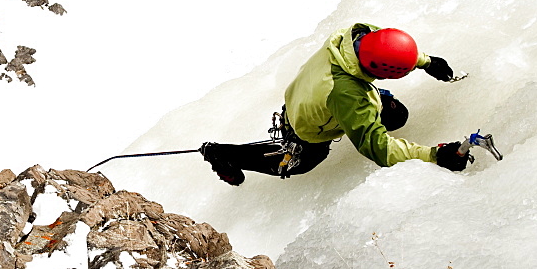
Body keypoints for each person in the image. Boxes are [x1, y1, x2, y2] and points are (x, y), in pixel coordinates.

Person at [200, 23, 470, 185]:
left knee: (395, 115)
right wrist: (434, 155)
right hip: (307, 125)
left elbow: (387, 44)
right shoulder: (349, 96)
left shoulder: (356, 34)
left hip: (310, 90)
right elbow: (378, 150)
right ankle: (225, 155)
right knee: (304, 162)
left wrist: (425, 61)